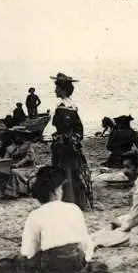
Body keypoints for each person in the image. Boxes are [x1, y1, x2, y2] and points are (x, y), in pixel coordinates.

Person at [0, 165, 108, 273]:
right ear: (56, 191)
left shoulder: (35, 215)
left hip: (51, 264)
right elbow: (86, 244)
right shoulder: (74, 209)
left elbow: (28, 251)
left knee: (7, 265)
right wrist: (83, 261)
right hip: (76, 261)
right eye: (61, 188)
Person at [50, 72, 92, 211]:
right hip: (72, 145)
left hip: (63, 145)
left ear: (62, 89)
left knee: (64, 172)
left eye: (57, 88)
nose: (55, 90)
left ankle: (66, 201)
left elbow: (58, 125)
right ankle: (77, 201)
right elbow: (79, 127)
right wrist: (74, 139)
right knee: (74, 172)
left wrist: (61, 137)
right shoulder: (73, 106)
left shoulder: (61, 107)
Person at [0, 126, 38, 203]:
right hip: (12, 166)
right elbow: (5, 159)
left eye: (19, 135)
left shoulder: (28, 146)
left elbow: (28, 158)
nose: (17, 137)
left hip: (27, 167)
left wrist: (18, 165)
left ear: (23, 136)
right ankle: (2, 192)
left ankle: (15, 193)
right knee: (1, 173)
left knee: (14, 172)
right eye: (16, 135)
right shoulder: (12, 147)